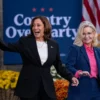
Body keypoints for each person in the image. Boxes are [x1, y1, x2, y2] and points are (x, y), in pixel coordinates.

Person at [0, 16, 79, 100]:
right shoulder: (25, 41)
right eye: (33, 25)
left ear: (45, 27)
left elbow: (59, 66)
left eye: (38, 25)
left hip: (47, 89)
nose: (35, 28)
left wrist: (71, 77)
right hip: (28, 88)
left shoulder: (53, 44)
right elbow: (6, 46)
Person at [66, 21, 100, 100]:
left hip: (97, 88)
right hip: (80, 88)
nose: (86, 36)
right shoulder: (75, 49)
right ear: (80, 35)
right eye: (83, 34)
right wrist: (79, 73)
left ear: (94, 34)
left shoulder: (98, 51)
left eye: (89, 33)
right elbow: (68, 66)